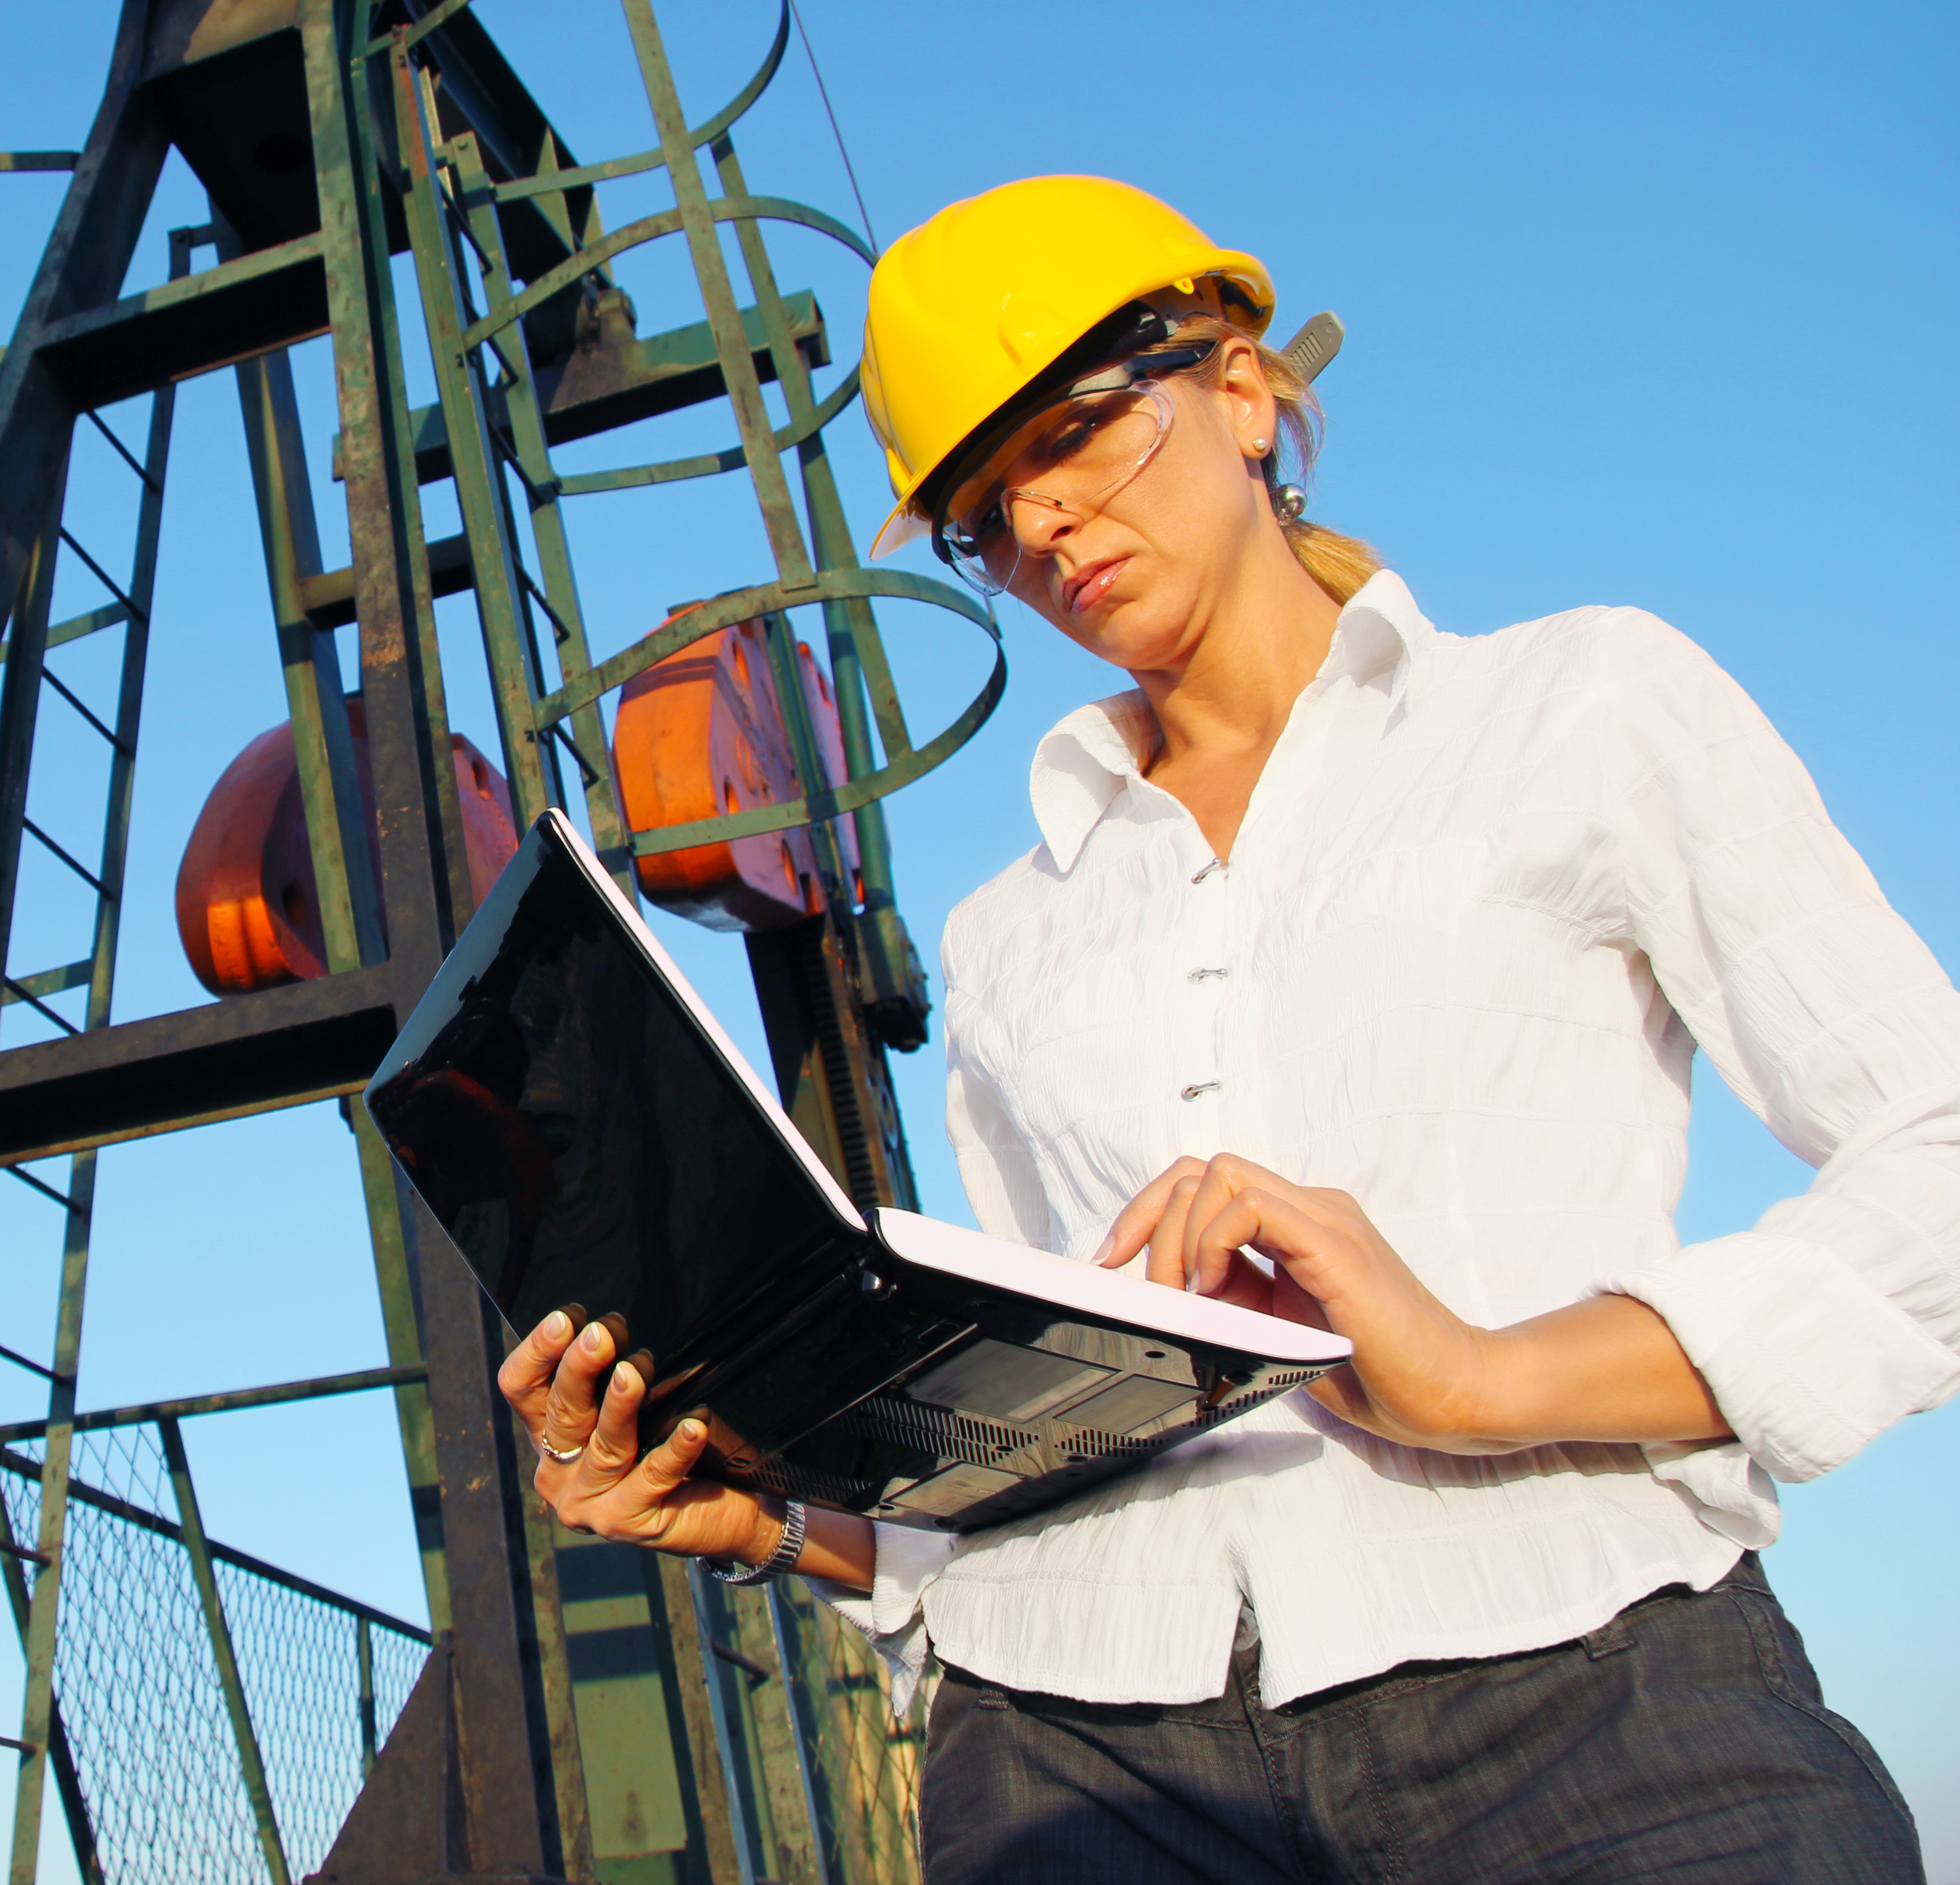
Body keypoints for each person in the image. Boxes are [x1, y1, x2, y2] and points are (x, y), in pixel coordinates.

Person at [496, 174, 1944, 1881]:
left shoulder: (1583, 710)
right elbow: (1038, 1441)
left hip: (1594, 1683)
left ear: (1243, 392)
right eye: (986, 505)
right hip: (1074, 1758)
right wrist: (775, 1517)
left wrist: (1488, 1376)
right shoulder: (1011, 932)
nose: (1045, 525)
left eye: (1083, 433)